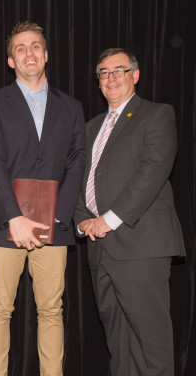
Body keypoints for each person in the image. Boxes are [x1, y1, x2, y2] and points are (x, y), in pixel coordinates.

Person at [0, 21, 86, 376]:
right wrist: (13, 217)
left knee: (51, 310)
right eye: (20, 48)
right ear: (11, 60)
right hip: (4, 224)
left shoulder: (70, 107)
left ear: (46, 54)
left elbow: (76, 161)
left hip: (53, 224)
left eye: (35, 46)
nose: (29, 53)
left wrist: (57, 215)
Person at [73, 48, 185, 376]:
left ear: (135, 75)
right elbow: (81, 180)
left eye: (118, 71)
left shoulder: (157, 114)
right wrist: (83, 221)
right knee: (118, 343)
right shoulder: (90, 128)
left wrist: (108, 220)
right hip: (100, 249)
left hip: (141, 246)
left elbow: (151, 173)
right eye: (104, 73)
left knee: (151, 344)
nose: (111, 78)